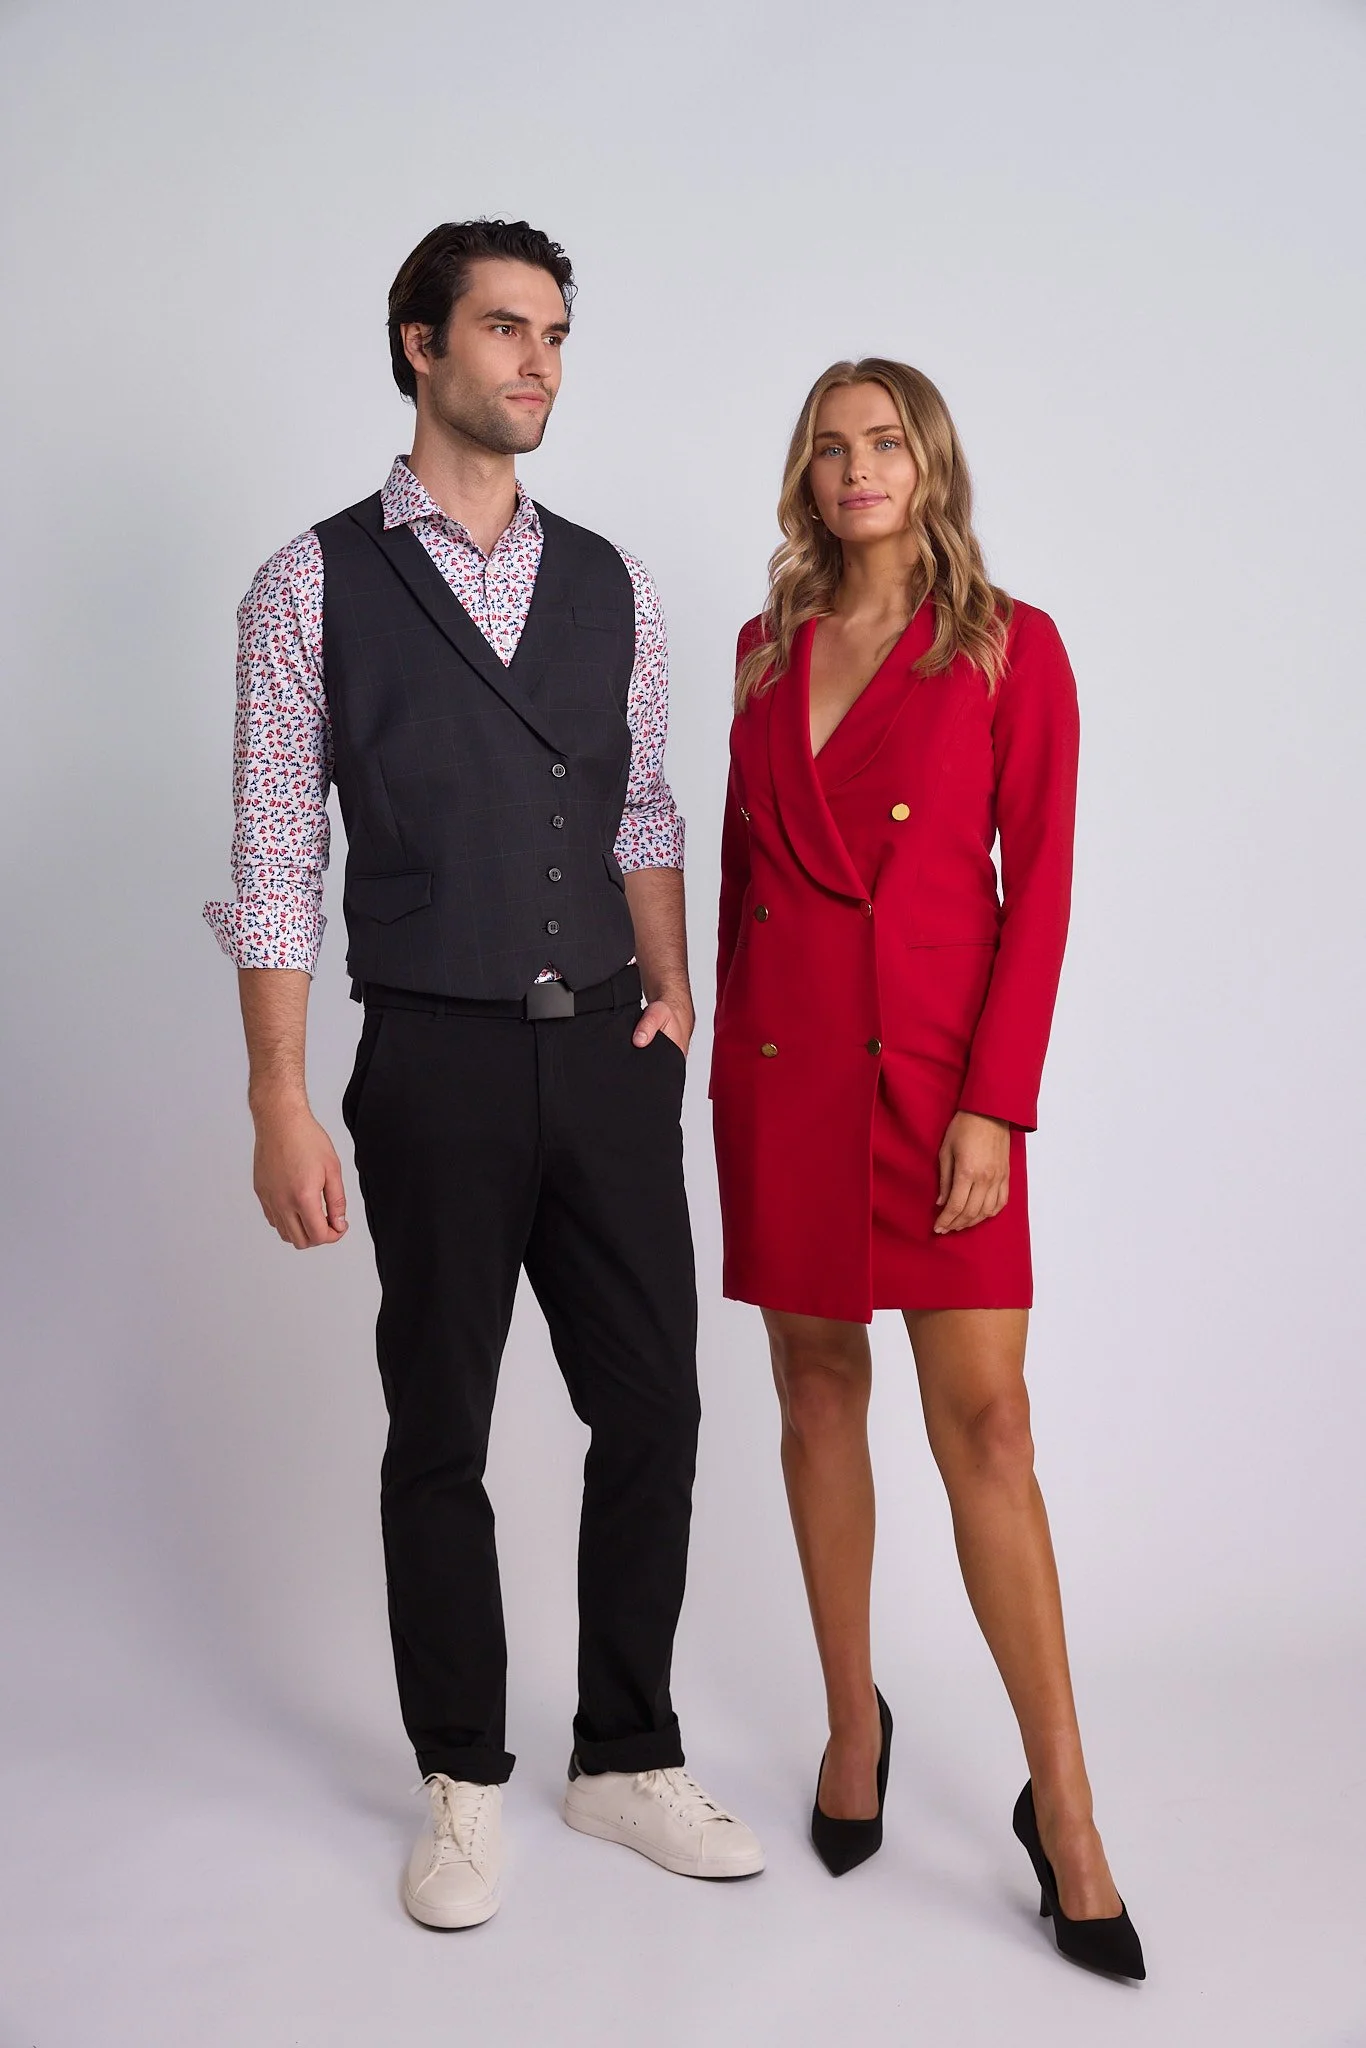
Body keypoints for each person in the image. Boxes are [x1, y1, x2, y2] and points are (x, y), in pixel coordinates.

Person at [204, 218, 763, 1929]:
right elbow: (276, 849)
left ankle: (625, 1755)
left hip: (604, 1052)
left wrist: (675, 994)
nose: (539, 363)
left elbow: (643, 807)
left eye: (557, 334)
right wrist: (278, 1096)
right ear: (416, 346)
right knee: (437, 1429)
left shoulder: (614, 580)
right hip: (429, 1055)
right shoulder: (307, 585)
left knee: (652, 1409)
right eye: (506, 330)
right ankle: (463, 1781)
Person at [710, 359, 1144, 1977]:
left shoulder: (1011, 649)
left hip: (942, 1095)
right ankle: (847, 1727)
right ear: (805, 479)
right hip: (784, 1076)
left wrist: (994, 1105)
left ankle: (1070, 1814)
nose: (853, 468)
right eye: (827, 448)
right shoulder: (762, 651)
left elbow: (1039, 894)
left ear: (930, 461)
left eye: (882, 441)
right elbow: (751, 864)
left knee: (991, 1427)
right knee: (815, 1395)